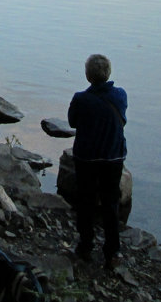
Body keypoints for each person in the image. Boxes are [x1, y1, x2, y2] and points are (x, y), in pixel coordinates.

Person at [67, 53, 127, 270]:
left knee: (86, 202)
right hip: (113, 157)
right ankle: (113, 251)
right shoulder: (120, 95)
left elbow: (72, 122)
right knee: (110, 203)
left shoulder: (80, 99)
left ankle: (85, 246)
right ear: (108, 73)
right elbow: (124, 120)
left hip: (87, 158)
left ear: (87, 75)